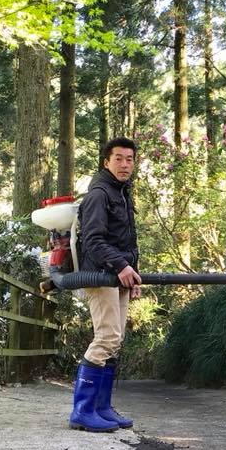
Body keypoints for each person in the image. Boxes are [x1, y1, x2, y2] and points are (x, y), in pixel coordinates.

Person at [69, 137, 141, 433]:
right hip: (101, 275)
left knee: (115, 340)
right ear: (106, 162)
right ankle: (83, 411)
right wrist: (121, 266)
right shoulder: (99, 194)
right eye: (119, 158)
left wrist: (133, 273)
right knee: (106, 338)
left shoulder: (122, 193)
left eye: (130, 159)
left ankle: (102, 407)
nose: (125, 164)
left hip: (117, 276)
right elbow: (94, 241)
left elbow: (127, 240)